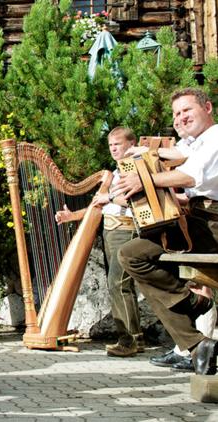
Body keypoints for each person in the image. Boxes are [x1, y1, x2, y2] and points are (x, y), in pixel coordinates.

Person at [116, 88, 218, 375]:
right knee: (132, 254)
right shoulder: (195, 143)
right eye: (176, 114)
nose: (180, 117)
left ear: (207, 107)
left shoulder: (216, 137)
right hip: (196, 219)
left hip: (212, 224)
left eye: (186, 110)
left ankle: (192, 309)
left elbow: (190, 175)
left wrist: (144, 180)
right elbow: (177, 153)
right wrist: (146, 153)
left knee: (133, 254)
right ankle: (197, 338)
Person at [55, 127, 144, 357]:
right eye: (111, 145)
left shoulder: (137, 166)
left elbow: (132, 198)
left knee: (118, 284)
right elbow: (100, 205)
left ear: (131, 143)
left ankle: (129, 340)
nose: (113, 148)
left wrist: (110, 196)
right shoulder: (116, 171)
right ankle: (135, 337)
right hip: (111, 231)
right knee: (119, 285)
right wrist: (71, 216)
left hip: (126, 229)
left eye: (118, 144)